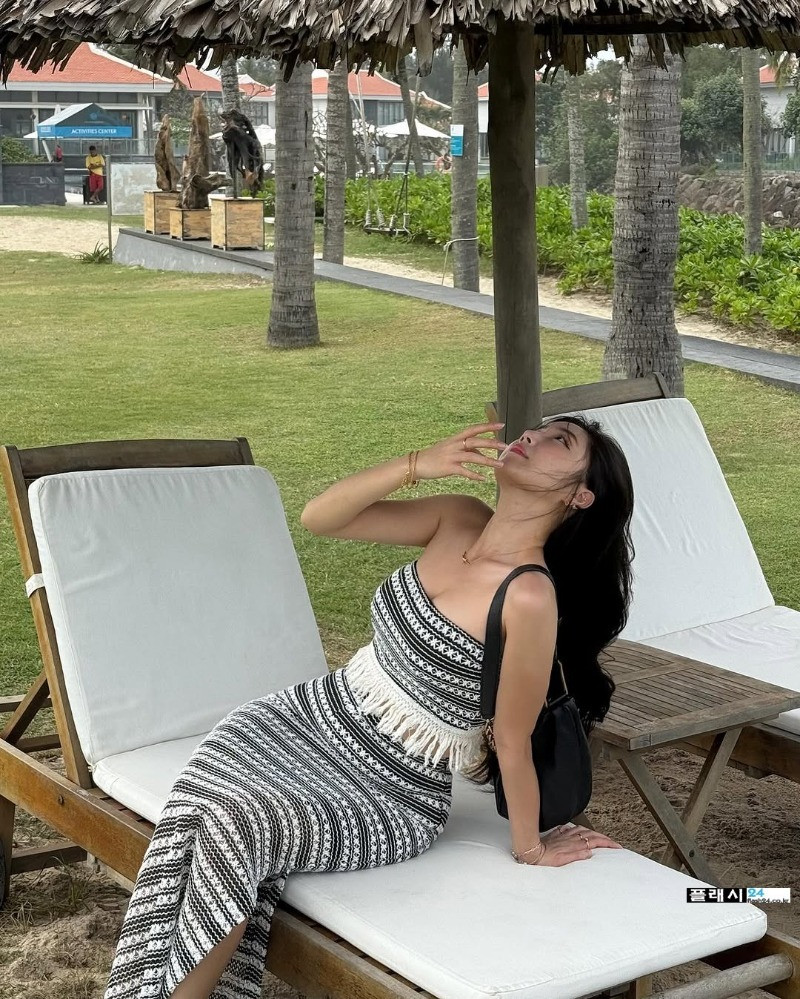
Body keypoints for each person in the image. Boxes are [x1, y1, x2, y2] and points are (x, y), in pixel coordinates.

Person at [104, 416, 633, 999]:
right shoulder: (457, 517)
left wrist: (531, 847)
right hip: (306, 716)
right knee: (198, 809)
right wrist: (416, 465)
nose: (532, 436)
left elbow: (511, 738)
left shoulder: (529, 595)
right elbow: (320, 518)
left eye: (560, 441)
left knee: (236, 826)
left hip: (390, 789)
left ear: (580, 496)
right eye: (538, 429)